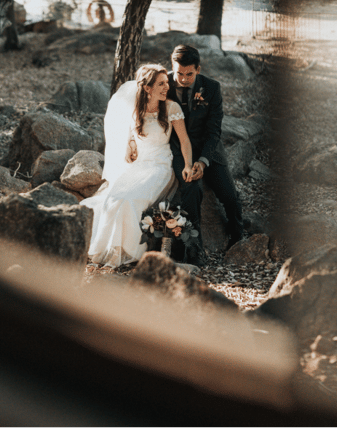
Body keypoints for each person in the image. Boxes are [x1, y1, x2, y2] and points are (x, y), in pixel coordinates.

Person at [81, 64, 194, 268]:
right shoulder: (135, 110)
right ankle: (110, 250)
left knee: (130, 201)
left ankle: (128, 252)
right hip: (139, 166)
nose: (166, 87)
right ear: (147, 88)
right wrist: (131, 144)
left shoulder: (171, 108)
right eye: (160, 84)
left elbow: (185, 140)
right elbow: (130, 135)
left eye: (166, 83)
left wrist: (188, 165)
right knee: (113, 200)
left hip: (160, 166)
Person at [168, 44, 243, 264]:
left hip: (210, 150)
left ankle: (238, 237)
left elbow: (214, 131)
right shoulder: (164, 85)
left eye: (189, 74)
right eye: (179, 73)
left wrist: (203, 161)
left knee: (230, 196)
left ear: (198, 69)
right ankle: (194, 249)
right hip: (179, 149)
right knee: (192, 190)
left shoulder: (212, 88)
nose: (183, 79)